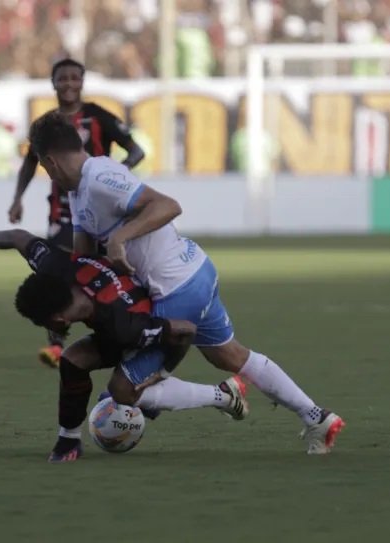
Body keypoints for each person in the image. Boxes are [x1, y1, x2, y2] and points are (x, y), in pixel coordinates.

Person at [28, 111, 345, 455]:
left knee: (122, 390)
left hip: (175, 289)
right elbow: (83, 259)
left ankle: (221, 396)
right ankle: (316, 416)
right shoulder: (78, 193)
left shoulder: (100, 177)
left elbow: (167, 206)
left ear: (49, 161)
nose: (47, 173)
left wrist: (120, 238)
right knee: (229, 354)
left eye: (43, 167)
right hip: (193, 275)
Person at [0, 217, 248, 463]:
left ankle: (223, 395)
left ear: (58, 319)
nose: (49, 330)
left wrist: (163, 371)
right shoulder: (51, 265)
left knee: (124, 392)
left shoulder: (124, 323)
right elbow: (18, 237)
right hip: (119, 323)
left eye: (46, 324)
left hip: (149, 326)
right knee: (72, 361)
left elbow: (185, 331)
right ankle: (69, 441)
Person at [8, 58, 146, 369]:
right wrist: (17, 198)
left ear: (82, 82)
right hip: (62, 213)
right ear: (53, 83)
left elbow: (136, 151)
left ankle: (132, 331)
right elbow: (29, 164)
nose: (69, 83)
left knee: (114, 272)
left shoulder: (99, 117)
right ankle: (56, 345)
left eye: (74, 78)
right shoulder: (47, 125)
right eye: (63, 78)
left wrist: (115, 173)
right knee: (54, 274)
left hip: (101, 213)